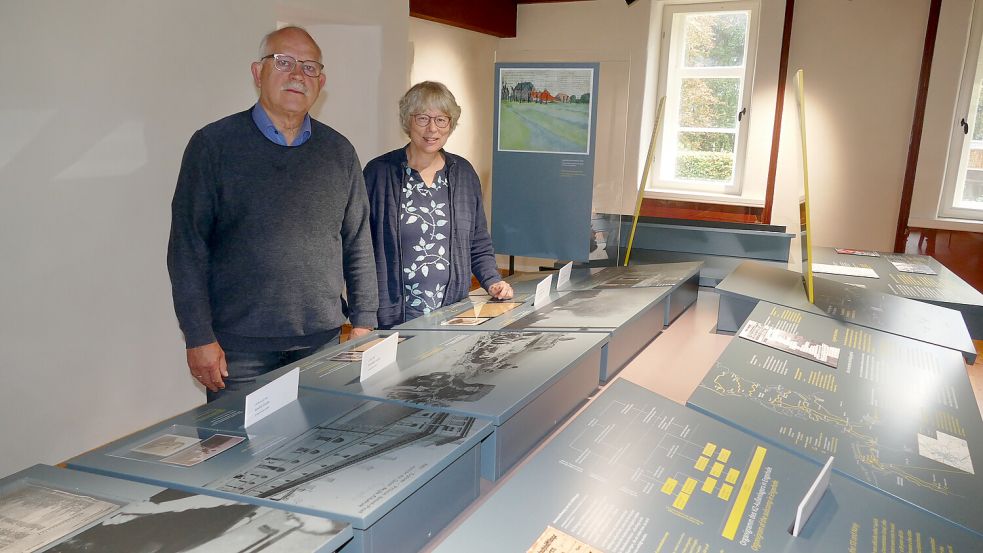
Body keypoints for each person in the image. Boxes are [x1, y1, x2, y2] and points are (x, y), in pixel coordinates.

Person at [167, 26, 377, 401]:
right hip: (239, 351)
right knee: (235, 454)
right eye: (284, 62)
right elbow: (187, 248)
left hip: (322, 342)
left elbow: (358, 241)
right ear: (257, 72)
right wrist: (198, 336)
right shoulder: (213, 146)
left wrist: (364, 322)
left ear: (321, 81)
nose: (298, 75)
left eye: (310, 67)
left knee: (319, 453)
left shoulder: (339, 152)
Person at [363, 81, 512, 327]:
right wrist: (363, 315)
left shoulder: (463, 173)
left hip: (453, 313)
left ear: (450, 125)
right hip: (395, 317)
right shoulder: (378, 173)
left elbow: (477, 240)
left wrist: (492, 280)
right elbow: (361, 249)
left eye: (441, 119)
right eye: (422, 118)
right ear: (407, 121)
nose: (432, 128)